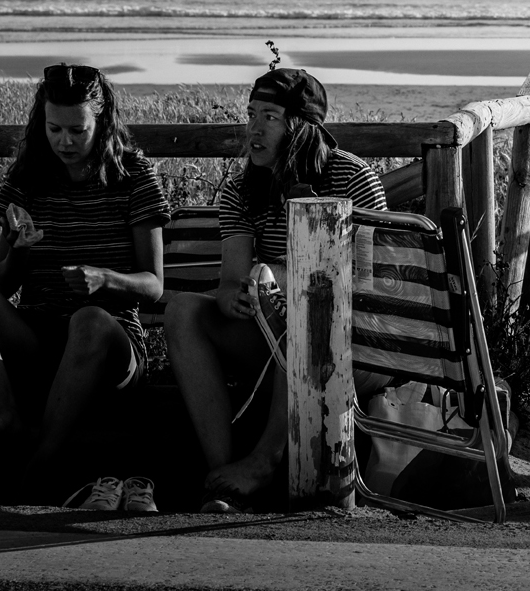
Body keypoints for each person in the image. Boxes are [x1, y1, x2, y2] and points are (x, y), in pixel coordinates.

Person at [0, 64, 168, 498]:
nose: (65, 141)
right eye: (55, 128)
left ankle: (41, 464)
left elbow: (155, 286)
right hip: (35, 338)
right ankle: (7, 409)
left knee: (90, 319)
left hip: (109, 346)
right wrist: (20, 250)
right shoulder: (27, 177)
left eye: (78, 130)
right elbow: (1, 282)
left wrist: (106, 280)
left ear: (103, 121)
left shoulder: (134, 176)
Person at [165, 68, 387, 511]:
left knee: (309, 296)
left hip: (354, 347)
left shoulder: (352, 178)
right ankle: (223, 474)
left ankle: (266, 458)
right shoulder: (243, 189)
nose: (253, 127)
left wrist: (285, 278)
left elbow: (370, 285)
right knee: (184, 311)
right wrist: (236, 297)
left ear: (302, 127)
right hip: (275, 347)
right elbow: (229, 282)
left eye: (269, 116)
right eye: (250, 113)